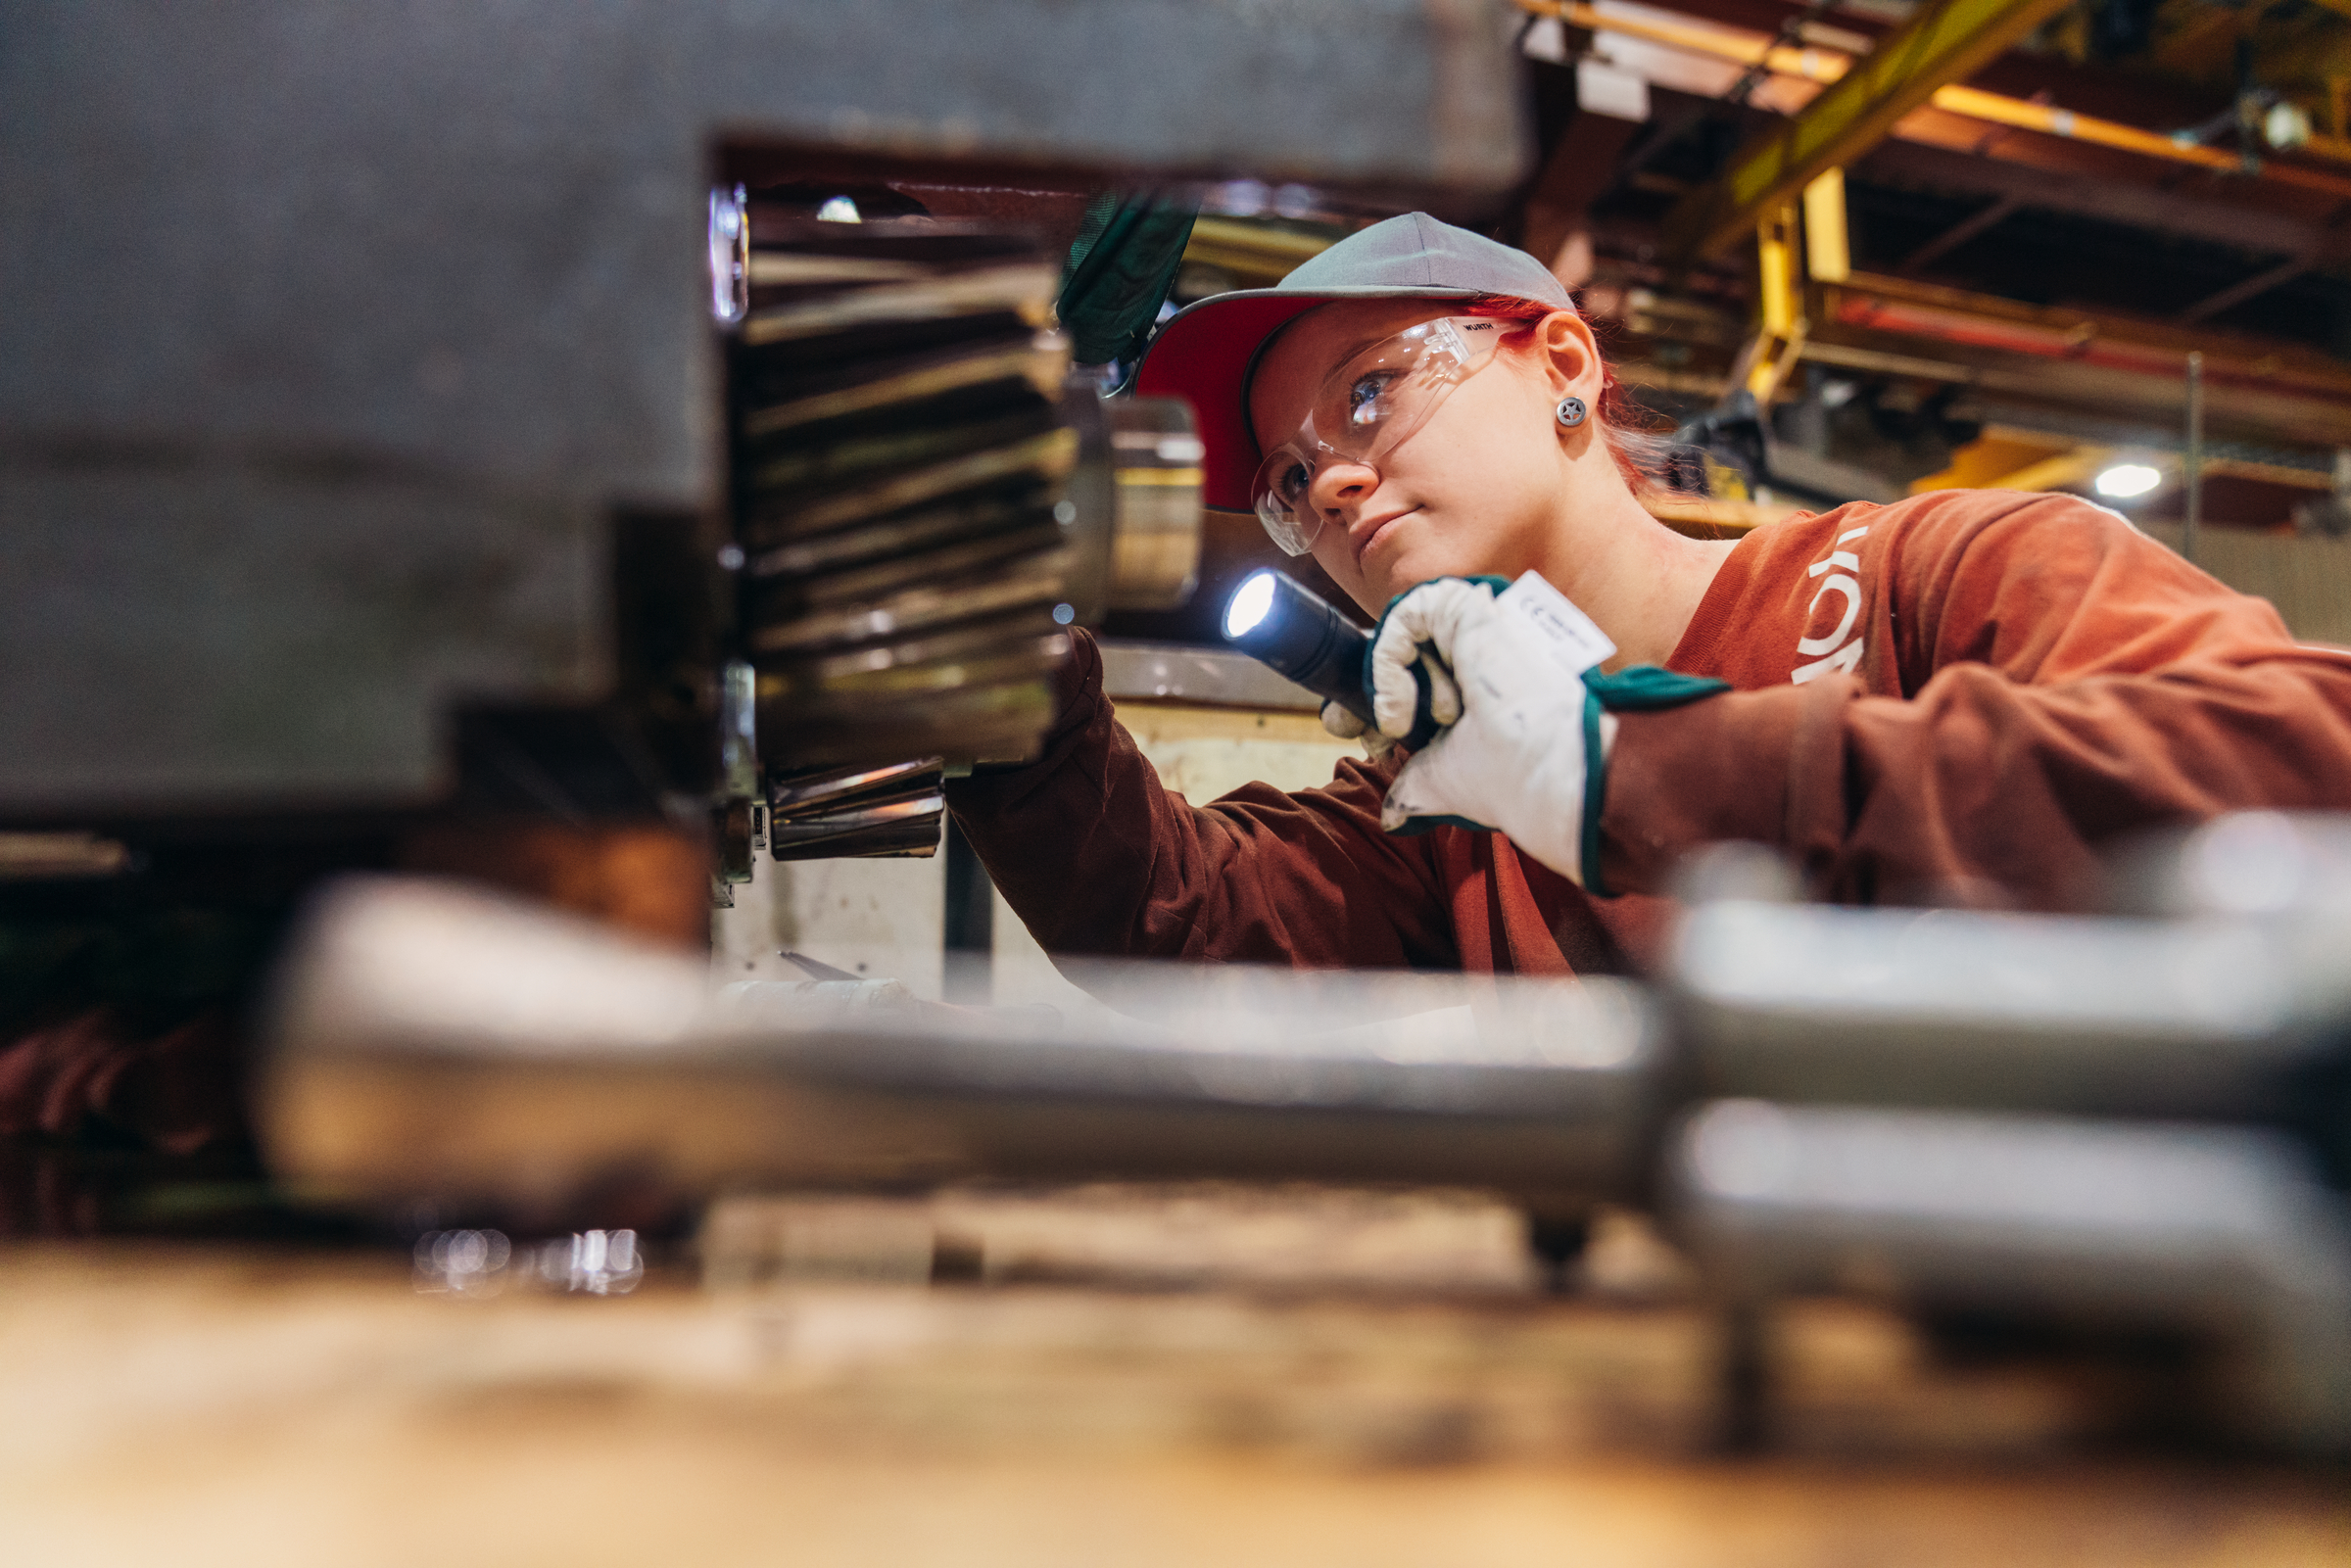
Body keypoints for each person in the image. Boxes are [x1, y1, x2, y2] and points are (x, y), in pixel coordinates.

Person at [947, 213, 2351, 977]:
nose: (1327, 487)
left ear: (1563, 364)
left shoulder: (1933, 578)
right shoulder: (1460, 797)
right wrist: (1004, 666)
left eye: (1369, 392)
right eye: (1288, 475)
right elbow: (1193, 919)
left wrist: (1638, 768)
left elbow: (2297, 761)